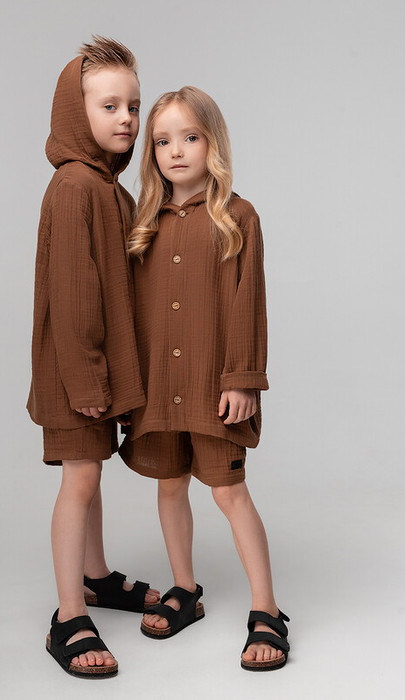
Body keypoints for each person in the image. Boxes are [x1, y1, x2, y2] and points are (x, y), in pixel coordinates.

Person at [118, 86, 290, 671]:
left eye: (190, 137)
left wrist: (241, 379)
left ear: (212, 143)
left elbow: (248, 303)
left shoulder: (238, 217)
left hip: (214, 386)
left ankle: (266, 609)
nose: (175, 151)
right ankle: (184, 589)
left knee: (228, 492)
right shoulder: (142, 222)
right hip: (157, 387)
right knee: (169, 486)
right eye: (162, 141)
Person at [27, 36, 159, 679]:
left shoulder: (112, 191)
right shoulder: (74, 187)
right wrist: (86, 381)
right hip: (76, 370)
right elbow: (74, 293)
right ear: (75, 114)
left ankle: (96, 575)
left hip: (99, 370)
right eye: (110, 106)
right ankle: (68, 614)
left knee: (92, 471)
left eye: (133, 105)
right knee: (79, 479)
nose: (127, 118)